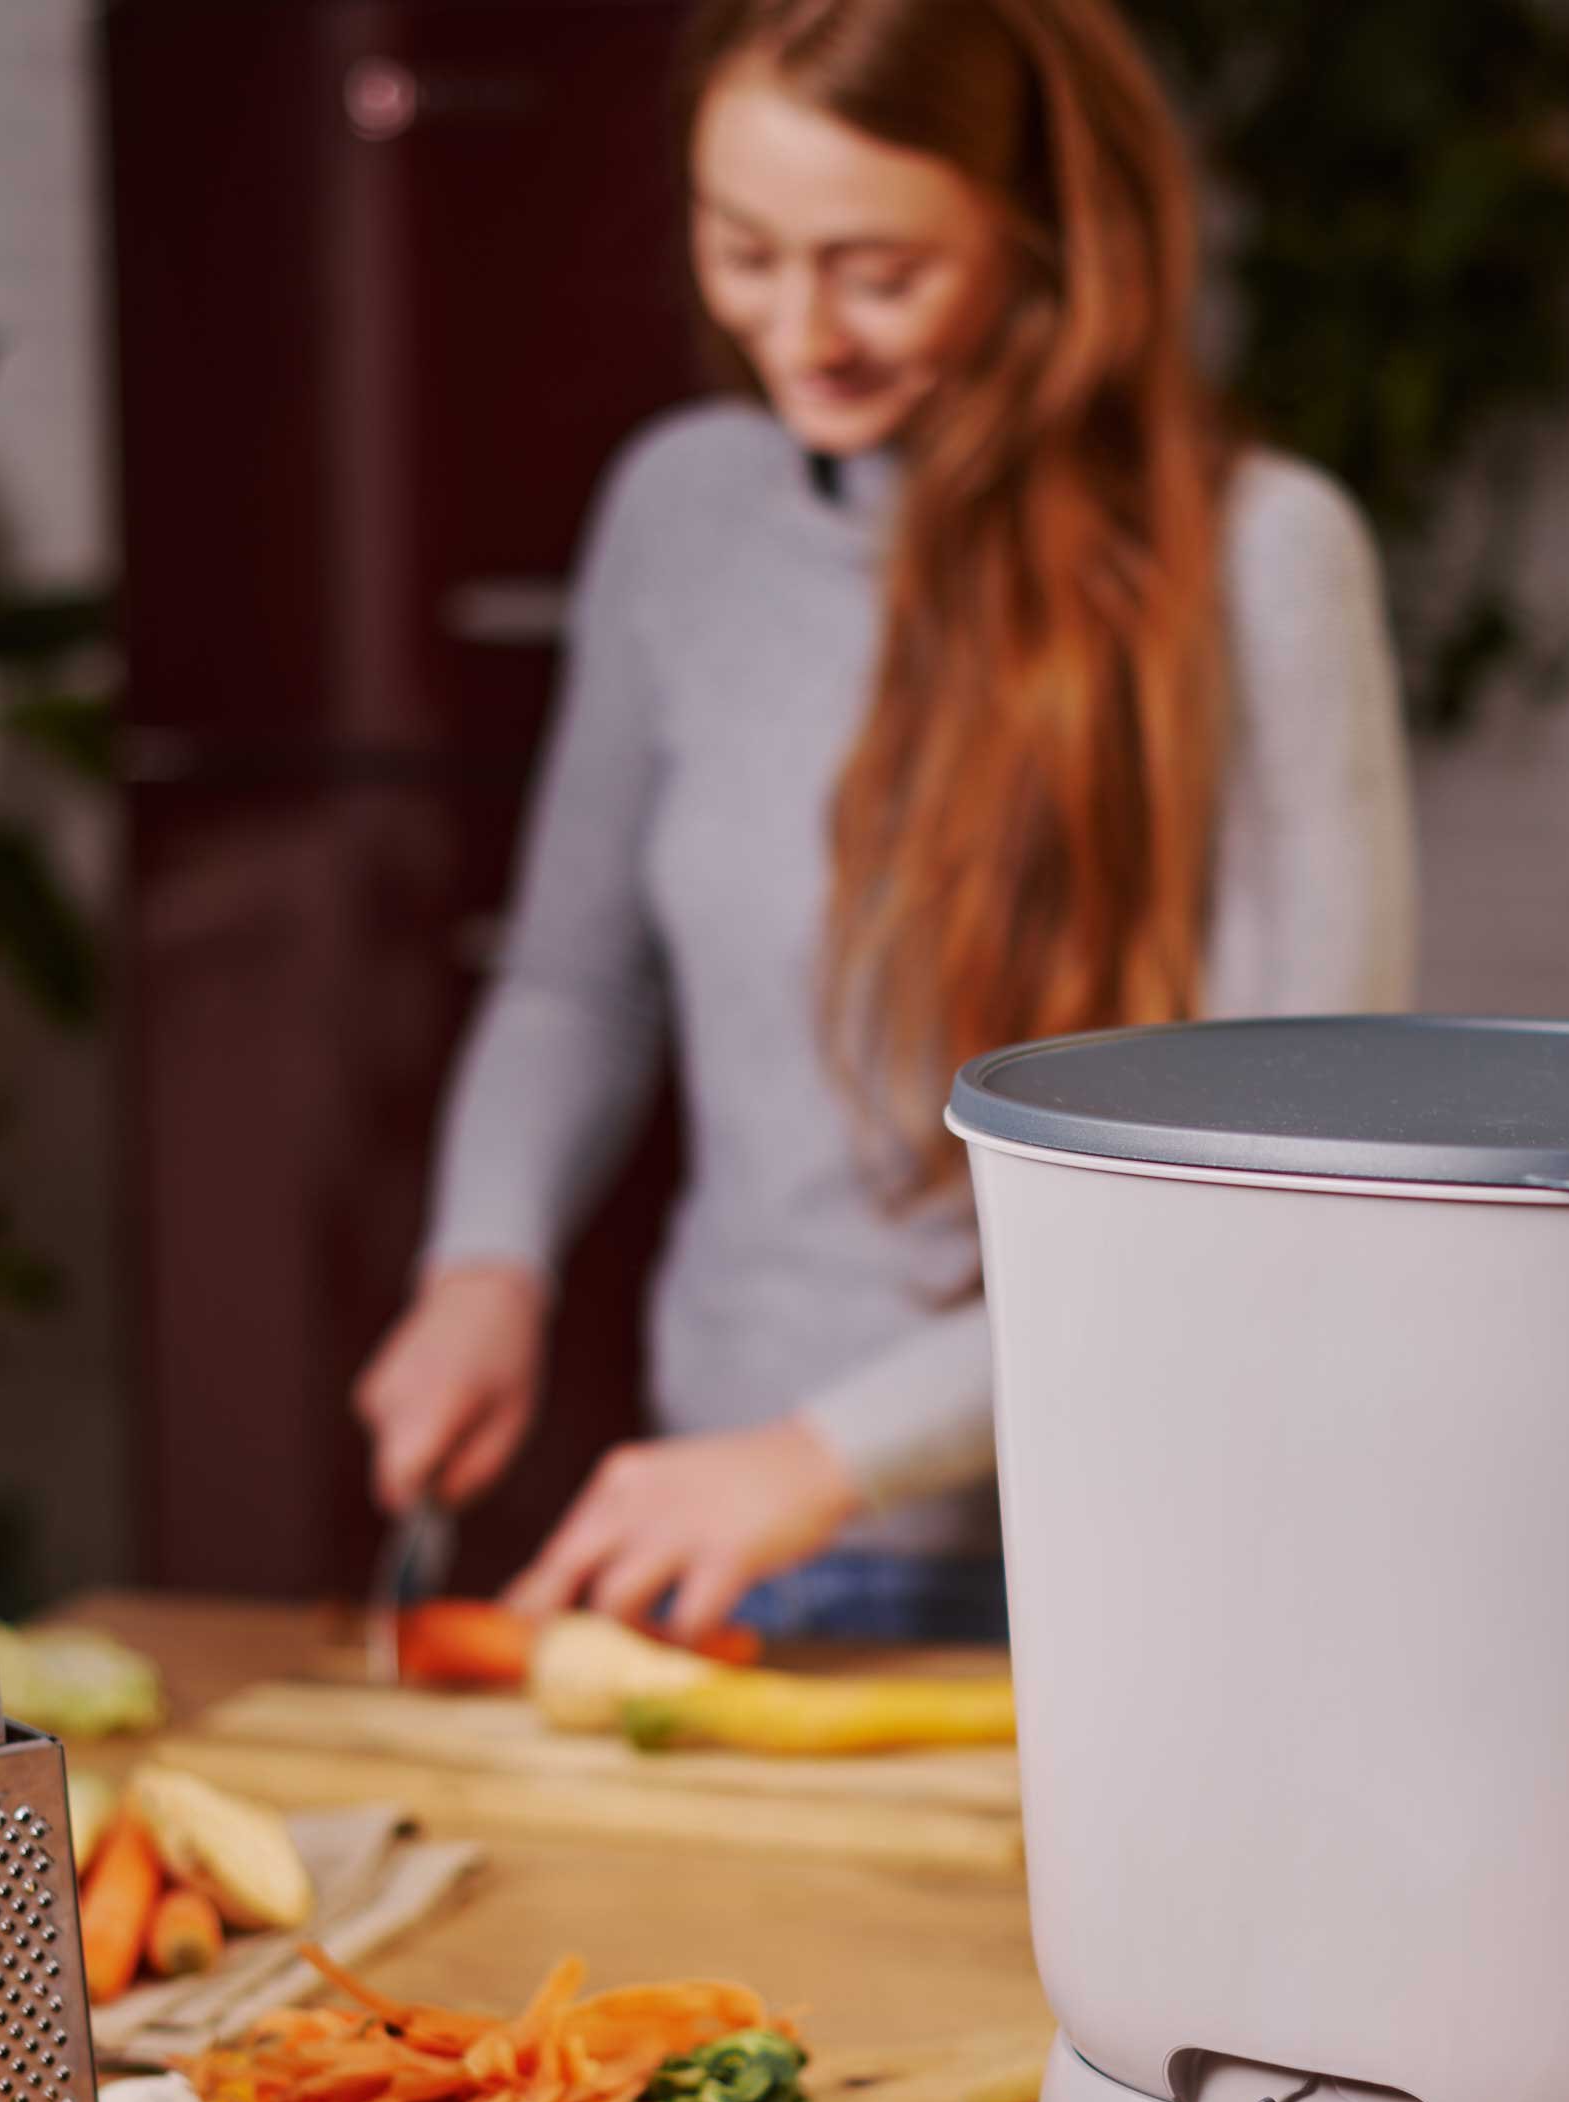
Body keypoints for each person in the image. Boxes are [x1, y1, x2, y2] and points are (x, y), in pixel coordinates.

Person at [353, 0, 1412, 1646]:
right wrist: (485, 1263)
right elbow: (578, 977)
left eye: (879, 270)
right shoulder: (681, 511)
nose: (800, 332)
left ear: (1043, 236)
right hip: (740, 1530)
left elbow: (1299, 1184)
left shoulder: (1261, 559)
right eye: (743, 251)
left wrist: (828, 1455)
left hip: (1131, 1555)